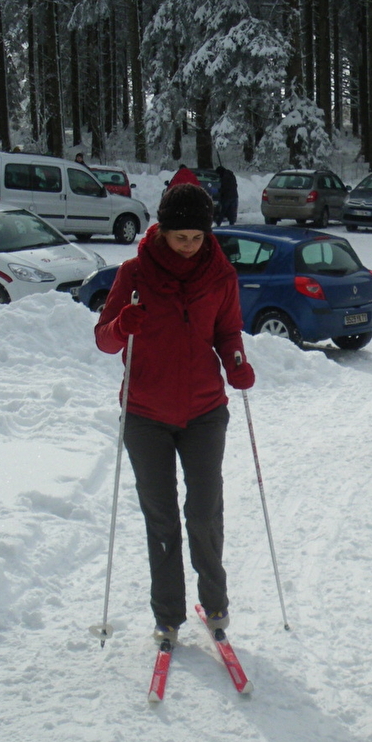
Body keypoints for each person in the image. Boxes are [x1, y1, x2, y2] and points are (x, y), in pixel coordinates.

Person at [93, 183, 255, 643]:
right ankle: (168, 615)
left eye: (197, 237)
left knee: (204, 514)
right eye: (180, 236)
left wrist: (237, 364)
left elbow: (228, 334)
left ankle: (216, 604)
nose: (188, 246)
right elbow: (104, 339)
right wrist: (122, 323)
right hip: (145, 414)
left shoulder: (220, 276)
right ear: (161, 231)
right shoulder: (134, 274)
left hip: (205, 411)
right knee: (160, 518)